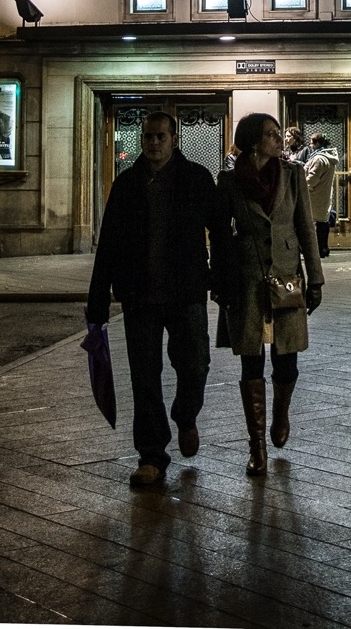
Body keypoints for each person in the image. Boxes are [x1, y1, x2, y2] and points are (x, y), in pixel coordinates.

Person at [86, 112, 225, 488]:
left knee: (195, 365)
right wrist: (97, 301)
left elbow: (221, 231)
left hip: (186, 293)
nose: (154, 143)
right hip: (139, 296)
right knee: (144, 377)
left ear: (174, 138)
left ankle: (186, 413)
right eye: (148, 136)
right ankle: (151, 455)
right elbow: (109, 244)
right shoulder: (127, 184)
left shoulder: (196, 179)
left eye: (161, 136)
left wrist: (221, 279)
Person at [215, 112, 324, 477]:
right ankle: (256, 445)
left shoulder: (293, 175)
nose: (279, 140)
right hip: (246, 280)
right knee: (250, 362)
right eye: (271, 134)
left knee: (286, 360)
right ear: (252, 140)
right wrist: (220, 280)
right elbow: (218, 235)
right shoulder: (229, 181)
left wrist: (317, 278)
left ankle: (281, 413)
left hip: (287, 277)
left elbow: (305, 228)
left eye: (279, 134)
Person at [304, 133, 339, 258]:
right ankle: (323, 248)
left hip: (314, 195)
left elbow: (312, 178)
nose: (310, 145)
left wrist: (303, 187)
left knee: (316, 223)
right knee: (322, 222)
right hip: (323, 194)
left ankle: (319, 249)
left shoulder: (319, 159)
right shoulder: (329, 158)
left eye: (312, 142)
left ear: (317, 143)